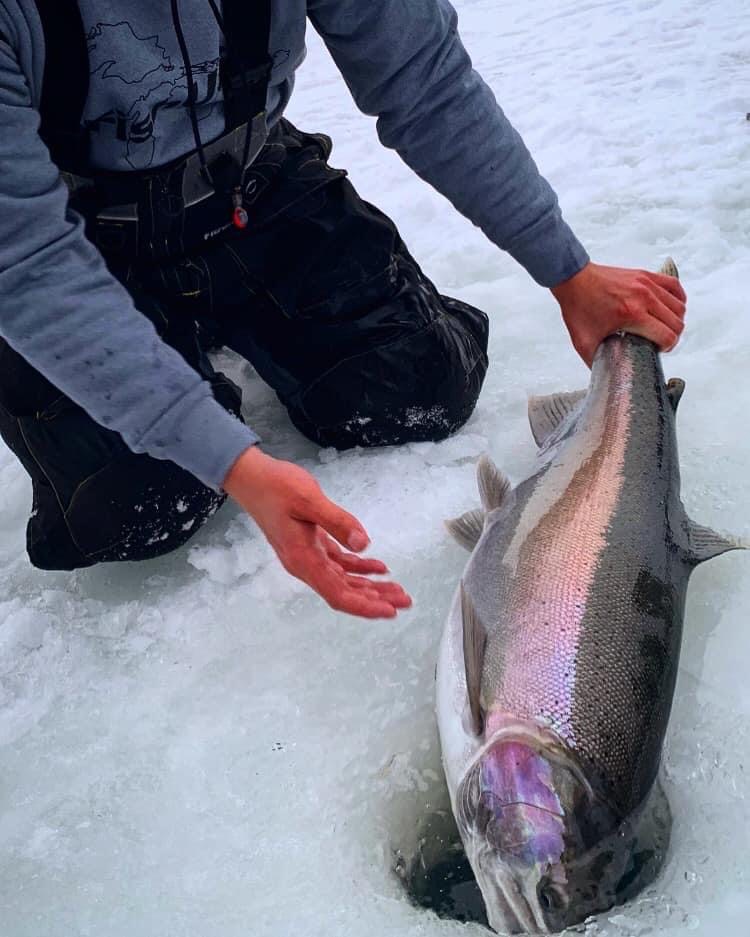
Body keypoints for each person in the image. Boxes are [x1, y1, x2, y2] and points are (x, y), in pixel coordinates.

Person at [0, 0, 686, 619]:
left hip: (245, 184)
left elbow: (427, 81)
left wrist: (567, 270)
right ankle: (163, 357)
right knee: (143, 501)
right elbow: (27, 265)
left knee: (422, 383)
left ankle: (195, 337)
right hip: (64, 237)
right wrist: (226, 455)